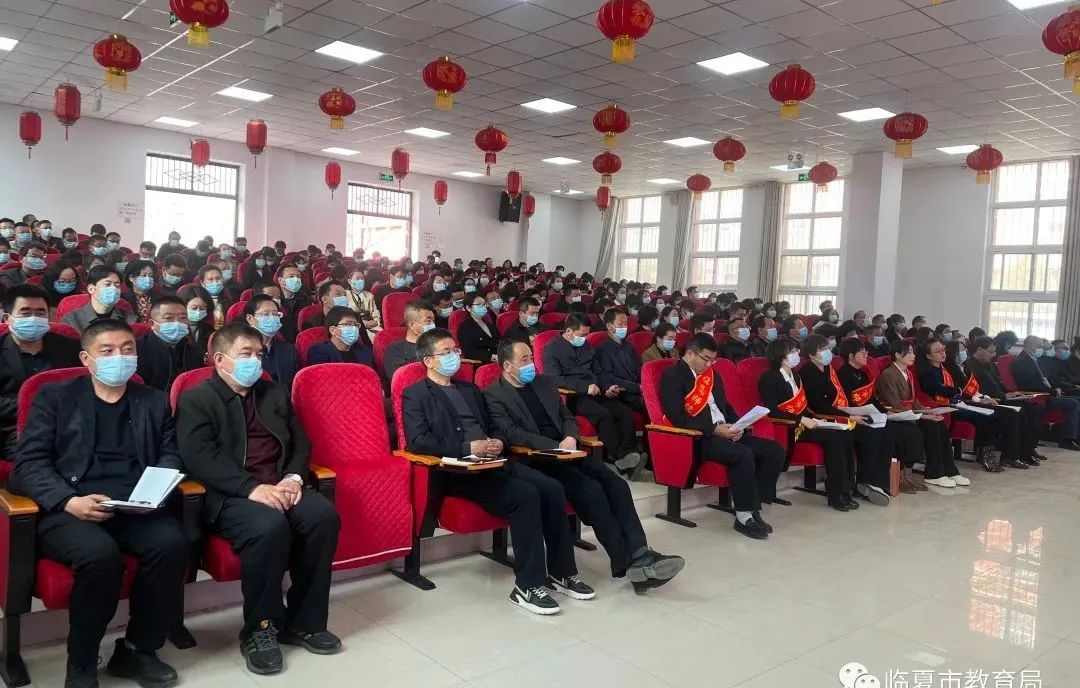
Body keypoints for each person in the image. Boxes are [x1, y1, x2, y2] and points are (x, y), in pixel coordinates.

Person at [11, 319, 187, 688]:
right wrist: (68, 500)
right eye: (107, 351)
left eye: (127, 349)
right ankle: (82, 661)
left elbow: (170, 454)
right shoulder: (55, 397)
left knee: (171, 543)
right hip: (72, 505)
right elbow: (29, 463)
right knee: (99, 555)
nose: (119, 357)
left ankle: (138, 650)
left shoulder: (153, 400)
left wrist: (153, 492)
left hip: (134, 504)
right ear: (86, 359)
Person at [177, 323, 342, 675]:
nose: (255, 360)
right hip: (231, 495)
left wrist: (293, 477)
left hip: (281, 484)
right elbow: (199, 457)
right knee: (268, 526)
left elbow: (300, 443)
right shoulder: (196, 399)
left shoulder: (274, 392)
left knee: (322, 517)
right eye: (245, 354)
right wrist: (251, 489)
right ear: (220, 360)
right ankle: (260, 629)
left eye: (258, 353)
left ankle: (305, 622)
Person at [402, 328, 593, 614]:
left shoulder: (469, 389)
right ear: (428, 360)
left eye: (455, 350)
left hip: (494, 461)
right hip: (459, 470)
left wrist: (497, 442)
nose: (455, 356)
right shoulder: (415, 394)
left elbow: (494, 427)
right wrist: (468, 447)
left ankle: (562, 571)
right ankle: (528, 586)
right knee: (524, 495)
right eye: (446, 352)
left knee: (552, 488)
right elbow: (418, 441)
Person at [485, 339, 685, 591]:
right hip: (539, 459)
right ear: (507, 366)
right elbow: (512, 433)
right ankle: (628, 562)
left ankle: (640, 551)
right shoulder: (494, 395)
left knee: (617, 485)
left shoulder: (544, 383)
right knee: (592, 491)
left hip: (570, 450)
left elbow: (567, 416)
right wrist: (555, 445)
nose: (531, 364)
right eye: (524, 360)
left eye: (531, 358)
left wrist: (570, 437)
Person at [660, 334, 784, 538]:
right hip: (700, 437)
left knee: (774, 450)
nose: (709, 364)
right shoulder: (673, 376)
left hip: (724, 430)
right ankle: (743, 517)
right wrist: (714, 430)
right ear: (690, 354)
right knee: (743, 455)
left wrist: (738, 425)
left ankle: (753, 507)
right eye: (706, 359)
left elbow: (725, 406)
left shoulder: (712, 376)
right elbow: (677, 417)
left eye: (713, 360)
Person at [758, 338, 859, 511]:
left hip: (805, 423)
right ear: (781, 356)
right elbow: (772, 410)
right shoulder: (769, 378)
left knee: (844, 432)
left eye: (797, 351)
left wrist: (816, 419)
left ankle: (846, 489)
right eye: (792, 352)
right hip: (789, 428)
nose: (797, 354)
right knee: (832, 437)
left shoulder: (795, 376)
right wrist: (801, 420)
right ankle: (835, 494)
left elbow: (804, 408)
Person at [543, 314, 642, 475]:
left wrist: (608, 386)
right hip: (573, 396)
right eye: (581, 335)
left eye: (586, 335)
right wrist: (584, 387)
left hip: (595, 391)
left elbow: (598, 371)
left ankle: (630, 453)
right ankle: (619, 457)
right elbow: (553, 379)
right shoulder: (551, 349)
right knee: (603, 415)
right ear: (569, 332)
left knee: (624, 411)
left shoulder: (587, 346)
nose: (584, 338)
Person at [805, 338, 892, 505]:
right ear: (811, 355)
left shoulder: (828, 370)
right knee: (866, 434)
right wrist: (848, 417)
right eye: (822, 349)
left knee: (885, 432)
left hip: (842, 414)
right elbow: (818, 405)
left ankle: (873, 482)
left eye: (827, 348)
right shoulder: (808, 373)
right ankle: (853, 486)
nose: (828, 352)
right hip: (826, 417)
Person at [0, 285, 81, 457]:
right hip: (15, 427)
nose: (34, 318)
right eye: (25, 313)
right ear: (7, 318)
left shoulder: (70, 347)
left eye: (40, 313)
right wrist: (35, 406)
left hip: (68, 422)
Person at [876, 340, 957, 490]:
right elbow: (896, 405)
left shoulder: (908, 373)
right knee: (926, 427)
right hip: (895, 415)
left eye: (913, 352)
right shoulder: (888, 374)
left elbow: (914, 401)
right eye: (909, 353)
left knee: (938, 422)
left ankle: (948, 470)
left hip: (908, 413)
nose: (913, 356)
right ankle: (924, 474)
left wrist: (929, 411)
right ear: (898, 355)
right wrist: (923, 416)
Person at [946, 339, 1038, 471]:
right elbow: (967, 391)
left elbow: (988, 386)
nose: (964, 353)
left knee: (1026, 410)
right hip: (967, 403)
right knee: (1006, 414)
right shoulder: (963, 367)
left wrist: (998, 395)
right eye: (960, 351)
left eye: (964, 350)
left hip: (984, 399)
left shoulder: (977, 365)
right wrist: (986, 399)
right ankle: (1006, 456)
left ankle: (1021, 452)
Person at [1012, 335, 1080, 450]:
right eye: (1040, 346)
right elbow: (1028, 384)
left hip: (1046, 392)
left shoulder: (1033, 359)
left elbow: (1045, 380)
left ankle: (1075, 437)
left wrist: (1054, 389)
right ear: (1030, 345)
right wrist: (1051, 391)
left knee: (1077, 400)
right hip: (1038, 397)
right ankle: (1067, 439)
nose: (1042, 349)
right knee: (1073, 404)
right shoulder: (1023, 361)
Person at [135, 295, 203, 393]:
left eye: (183, 317)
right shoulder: (138, 350)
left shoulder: (195, 351)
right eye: (169, 318)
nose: (177, 323)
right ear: (152, 324)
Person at [242, 295, 299, 391]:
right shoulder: (241, 351)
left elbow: (295, 385)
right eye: (266, 314)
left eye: (275, 314)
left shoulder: (289, 350)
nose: (272, 318)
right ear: (250, 319)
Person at [61, 265, 137, 332]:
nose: (113, 289)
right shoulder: (71, 320)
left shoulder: (129, 320)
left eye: (117, 285)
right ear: (91, 289)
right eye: (107, 284)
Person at [384, 301, 435, 383]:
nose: (433, 324)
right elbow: (402, 380)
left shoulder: (438, 344)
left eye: (433, 320)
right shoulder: (395, 350)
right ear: (412, 325)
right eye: (428, 321)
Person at [306, 306, 374, 368]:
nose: (354, 328)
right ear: (333, 330)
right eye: (348, 324)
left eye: (356, 324)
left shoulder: (364, 351)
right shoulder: (319, 352)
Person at [458, 292, 499, 362]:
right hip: (482, 362)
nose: (483, 306)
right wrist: (491, 357)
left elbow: (497, 342)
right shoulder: (465, 327)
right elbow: (469, 351)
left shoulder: (488, 323)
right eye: (479, 304)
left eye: (484, 304)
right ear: (468, 308)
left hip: (499, 358)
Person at [275, 263, 310, 343]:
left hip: (299, 338)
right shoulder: (274, 299)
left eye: (298, 277)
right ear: (280, 280)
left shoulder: (304, 298)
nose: (296, 279)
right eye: (291, 276)